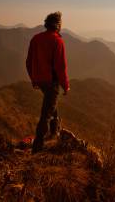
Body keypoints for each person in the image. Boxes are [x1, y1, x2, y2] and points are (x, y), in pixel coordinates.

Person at [25, 11, 70, 153]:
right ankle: (37, 148)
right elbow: (60, 67)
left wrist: (34, 78)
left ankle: (53, 134)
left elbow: (28, 61)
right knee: (46, 114)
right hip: (51, 81)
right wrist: (66, 86)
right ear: (58, 25)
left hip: (40, 80)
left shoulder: (36, 38)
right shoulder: (57, 41)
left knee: (52, 106)